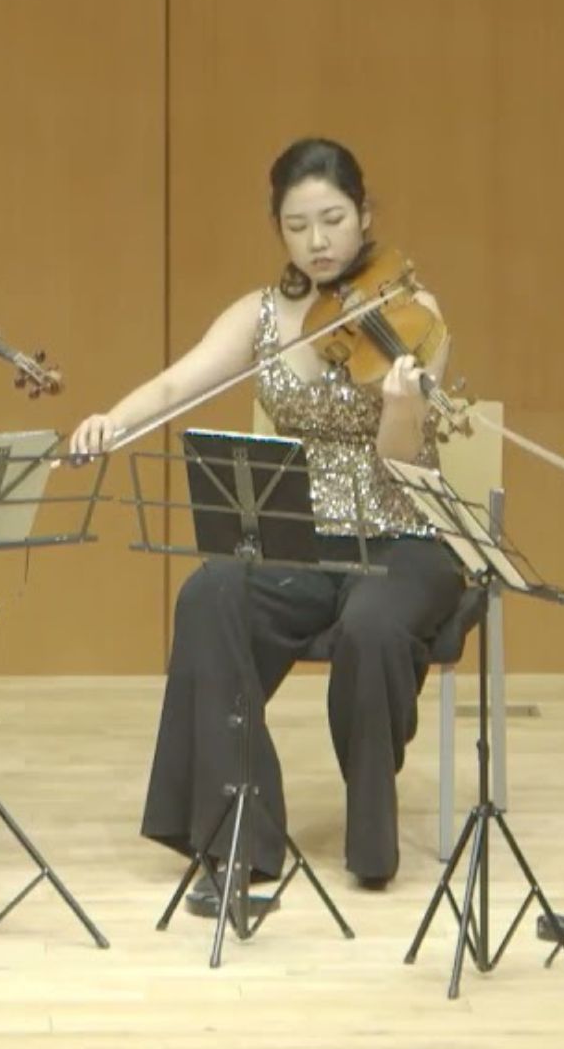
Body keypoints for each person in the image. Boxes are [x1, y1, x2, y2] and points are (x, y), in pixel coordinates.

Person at [70, 136, 473, 901]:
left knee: (373, 627)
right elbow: (175, 385)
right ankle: (238, 836)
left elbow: (402, 456)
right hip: (299, 539)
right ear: (278, 228)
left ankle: (372, 838)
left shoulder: (412, 314)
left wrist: (400, 404)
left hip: (404, 534)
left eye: (333, 219)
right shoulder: (262, 314)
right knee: (210, 593)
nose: (318, 241)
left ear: (365, 215)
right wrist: (108, 423)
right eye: (298, 224)